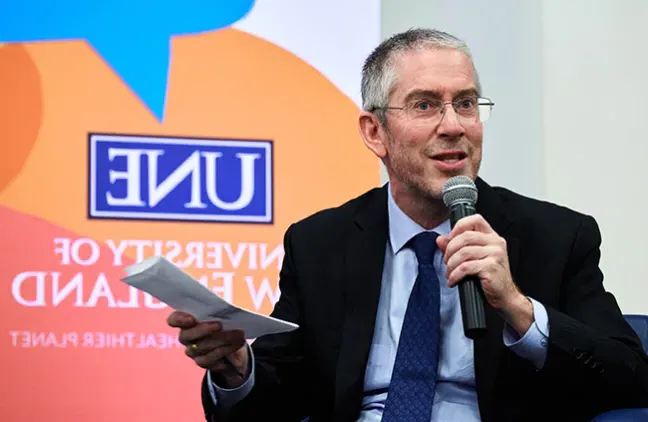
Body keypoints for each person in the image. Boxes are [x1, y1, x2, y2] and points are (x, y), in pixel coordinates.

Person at [167, 28, 648, 421]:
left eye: (465, 103)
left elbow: (629, 375)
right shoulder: (320, 243)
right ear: (375, 133)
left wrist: (518, 308)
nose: (454, 126)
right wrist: (236, 371)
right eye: (424, 105)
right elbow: (280, 394)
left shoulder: (556, 236)